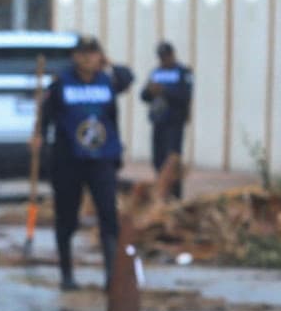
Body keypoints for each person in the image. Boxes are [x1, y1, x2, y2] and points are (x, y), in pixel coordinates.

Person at [40, 35, 134, 292]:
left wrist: (109, 62)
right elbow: (45, 116)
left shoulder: (108, 80)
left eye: (93, 53)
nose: (87, 58)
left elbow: (128, 77)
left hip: (102, 159)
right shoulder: (61, 82)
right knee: (67, 217)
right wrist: (39, 140)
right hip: (68, 159)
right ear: (74, 56)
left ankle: (111, 276)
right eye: (82, 53)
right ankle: (67, 275)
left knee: (108, 215)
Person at [141, 42, 193, 199]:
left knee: (172, 161)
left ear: (172, 54)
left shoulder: (183, 72)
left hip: (174, 123)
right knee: (158, 160)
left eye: (166, 56)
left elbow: (185, 95)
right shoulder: (156, 72)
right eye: (161, 57)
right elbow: (143, 96)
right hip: (158, 122)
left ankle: (175, 196)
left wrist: (164, 90)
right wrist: (150, 91)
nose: (164, 60)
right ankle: (162, 193)